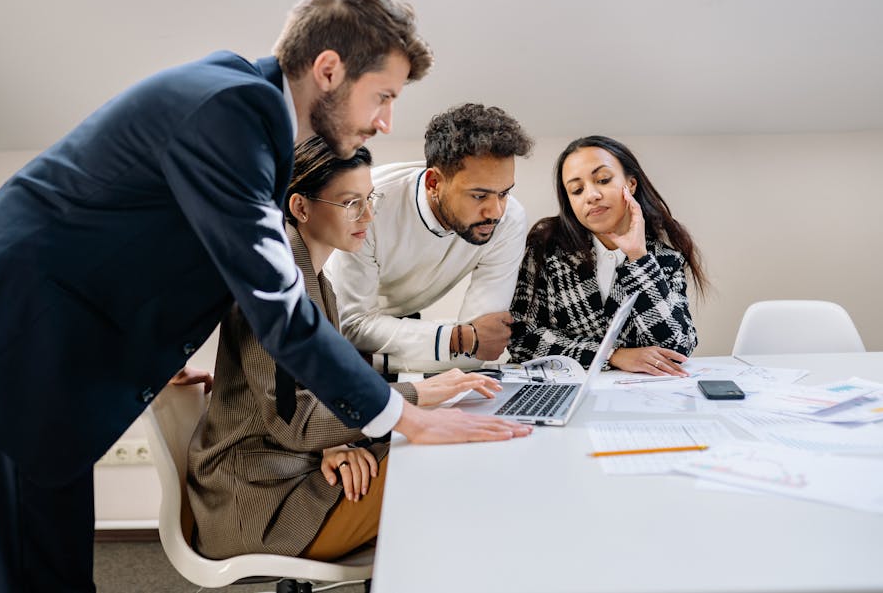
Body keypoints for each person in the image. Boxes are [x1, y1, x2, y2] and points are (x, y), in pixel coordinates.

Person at [0, 0, 529, 593]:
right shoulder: (230, 113)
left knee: (51, 572)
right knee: (19, 576)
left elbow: (151, 245)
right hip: (5, 336)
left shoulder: (243, 111)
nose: (385, 120)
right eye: (382, 96)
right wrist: (403, 416)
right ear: (329, 70)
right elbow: (277, 308)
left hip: (41, 341)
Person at [188, 136, 502, 561]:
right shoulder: (279, 291)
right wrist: (417, 397)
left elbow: (318, 387)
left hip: (292, 469)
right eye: (352, 203)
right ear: (301, 208)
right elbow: (293, 420)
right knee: (444, 464)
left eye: (369, 199)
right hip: (261, 503)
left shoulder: (316, 281)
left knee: (440, 449)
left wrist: (337, 444)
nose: (370, 216)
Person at [327, 103, 534, 373]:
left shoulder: (509, 220)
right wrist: (457, 339)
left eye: (504, 193)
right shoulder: (368, 204)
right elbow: (350, 325)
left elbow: (482, 344)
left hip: (400, 325)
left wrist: (378, 362)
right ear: (434, 183)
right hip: (322, 326)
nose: (496, 212)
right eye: (479, 195)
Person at [509, 135, 707, 375]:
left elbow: (677, 347)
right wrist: (610, 355)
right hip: (563, 391)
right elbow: (520, 338)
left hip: (637, 396)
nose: (591, 195)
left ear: (631, 184)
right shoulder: (547, 244)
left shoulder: (664, 254)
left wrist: (638, 257)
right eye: (577, 190)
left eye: (603, 180)